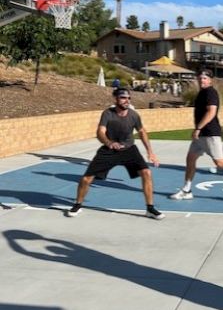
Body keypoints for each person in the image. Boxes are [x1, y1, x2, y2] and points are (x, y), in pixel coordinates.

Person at [67, 88, 164, 220]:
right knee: (86, 179)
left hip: (129, 150)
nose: (127, 101)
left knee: (146, 173)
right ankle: (78, 204)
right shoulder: (108, 113)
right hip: (109, 150)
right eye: (123, 98)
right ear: (116, 99)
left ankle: (150, 208)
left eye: (129, 98)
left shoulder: (134, 115)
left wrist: (150, 152)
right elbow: (100, 132)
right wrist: (109, 143)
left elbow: (142, 132)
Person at [170, 69, 223, 203]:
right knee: (190, 158)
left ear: (210, 80)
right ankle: (187, 190)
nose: (201, 80)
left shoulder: (210, 92)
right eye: (200, 77)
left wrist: (198, 128)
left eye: (204, 78)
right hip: (202, 135)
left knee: (220, 162)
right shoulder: (202, 93)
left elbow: (211, 112)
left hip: (210, 133)